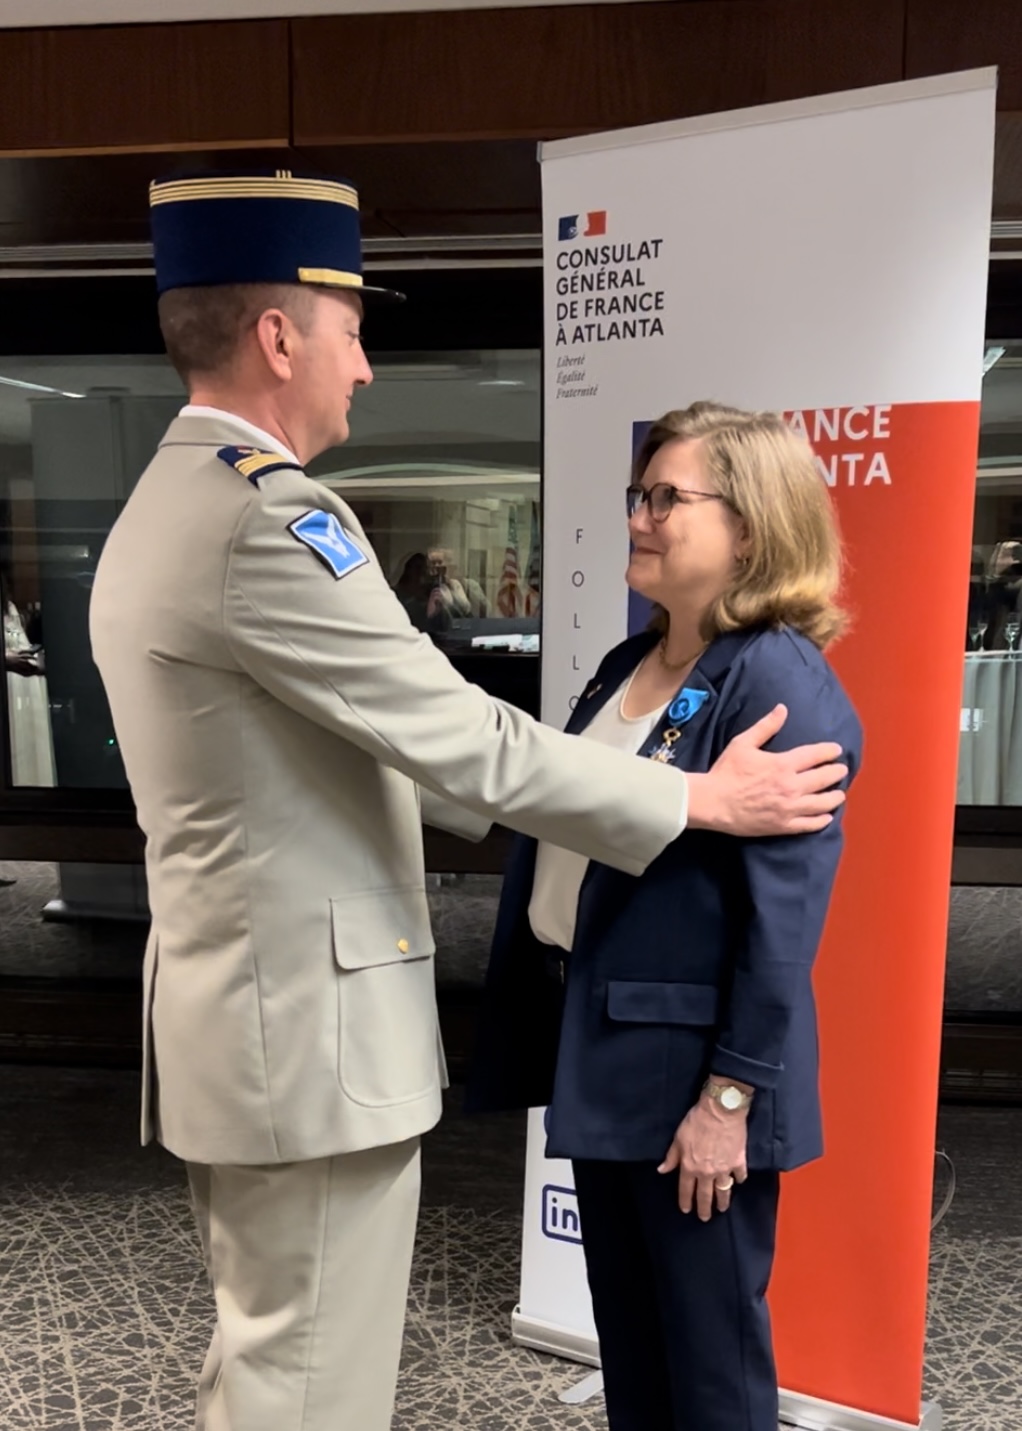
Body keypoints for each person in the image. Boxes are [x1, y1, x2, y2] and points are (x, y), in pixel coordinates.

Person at [88, 172, 848, 1431]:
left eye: (672, 497)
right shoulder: (266, 519)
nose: (367, 368)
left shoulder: (174, 500)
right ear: (280, 336)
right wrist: (697, 801)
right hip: (304, 1040)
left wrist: (732, 1088)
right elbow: (459, 738)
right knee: (305, 1382)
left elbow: (350, 746)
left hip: (254, 1018)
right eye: (350, 333)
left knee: (271, 1355)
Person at [469, 402, 863, 1431]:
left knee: (708, 1369)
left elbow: (781, 926)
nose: (638, 517)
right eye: (637, 496)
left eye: (666, 498)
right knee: (636, 1352)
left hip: (694, 1081)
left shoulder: (774, 681)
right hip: (603, 1051)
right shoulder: (632, 663)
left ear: (751, 522)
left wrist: (727, 1102)